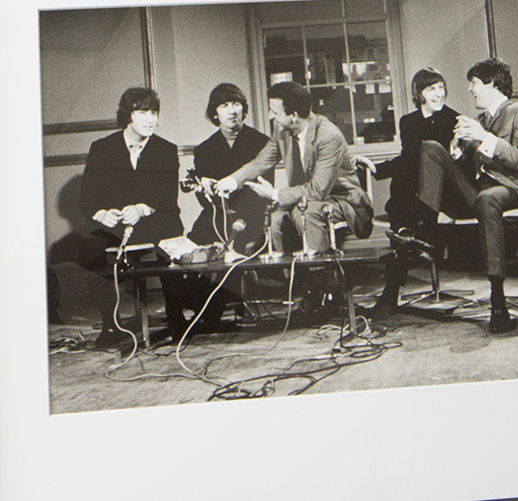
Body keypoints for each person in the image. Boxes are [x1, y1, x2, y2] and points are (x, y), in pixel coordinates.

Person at [375, 58, 518, 334]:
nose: (470, 90)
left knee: (488, 198)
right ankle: (425, 231)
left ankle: (497, 302)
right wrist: (456, 151)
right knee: (430, 148)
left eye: (474, 84)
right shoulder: (480, 120)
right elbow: (472, 164)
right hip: (478, 191)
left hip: (512, 190)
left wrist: (484, 138)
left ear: (490, 84)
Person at [79, 86, 188, 347]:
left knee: (169, 236)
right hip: (116, 225)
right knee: (91, 247)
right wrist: (102, 213)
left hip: (154, 221)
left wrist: (141, 208)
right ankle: (110, 325)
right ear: (128, 114)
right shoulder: (102, 148)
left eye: (154, 112)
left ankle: (176, 317)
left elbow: (167, 199)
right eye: (143, 112)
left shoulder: (166, 150)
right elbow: (87, 198)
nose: (151, 119)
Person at [214, 80, 373, 254]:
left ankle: (319, 273)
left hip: (341, 201)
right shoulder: (281, 129)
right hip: (305, 199)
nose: (270, 116)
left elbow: (317, 192)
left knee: (305, 213)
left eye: (274, 112)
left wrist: (273, 193)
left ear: (294, 116)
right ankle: (290, 276)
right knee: (275, 218)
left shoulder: (328, 136)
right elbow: (262, 161)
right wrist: (229, 182)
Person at [355, 67, 460, 231]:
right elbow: (409, 158)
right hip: (415, 181)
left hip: (442, 184)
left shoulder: (454, 120)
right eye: (432, 89)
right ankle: (405, 235)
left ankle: (409, 230)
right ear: (419, 93)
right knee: (401, 182)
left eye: (441, 87)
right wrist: (376, 168)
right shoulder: (408, 122)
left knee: (403, 186)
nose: (439, 94)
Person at [188, 83, 272, 254]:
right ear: (215, 113)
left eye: (236, 104)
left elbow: (264, 190)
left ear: (243, 109)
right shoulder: (204, 149)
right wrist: (205, 189)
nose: (232, 111)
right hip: (217, 216)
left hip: (252, 215)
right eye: (224, 106)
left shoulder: (262, 143)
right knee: (192, 250)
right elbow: (205, 201)